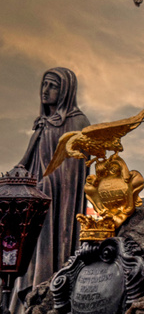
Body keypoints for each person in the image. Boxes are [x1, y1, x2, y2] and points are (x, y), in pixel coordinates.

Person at [11, 69, 89, 312]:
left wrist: (47, 184)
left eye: (52, 86)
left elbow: (74, 171)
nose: (45, 90)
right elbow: (26, 162)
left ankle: (51, 288)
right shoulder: (43, 125)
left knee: (47, 246)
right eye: (44, 84)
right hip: (36, 201)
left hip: (58, 203)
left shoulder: (77, 123)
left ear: (65, 90)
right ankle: (28, 296)